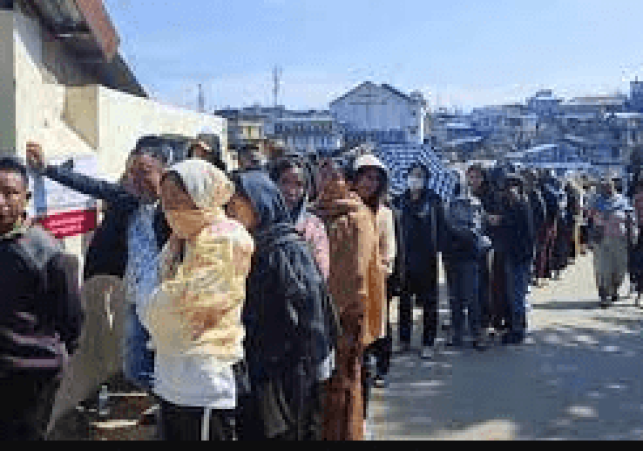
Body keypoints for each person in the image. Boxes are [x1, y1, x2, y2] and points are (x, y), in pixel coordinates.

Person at [26, 138, 173, 390]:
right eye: (132, 174)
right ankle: (165, 403)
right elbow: (91, 186)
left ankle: (170, 414)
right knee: (135, 368)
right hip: (137, 299)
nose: (136, 181)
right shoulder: (128, 201)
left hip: (168, 301)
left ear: (165, 174)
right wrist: (47, 168)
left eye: (145, 173)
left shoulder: (176, 211)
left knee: (168, 363)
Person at [137, 159, 254, 441]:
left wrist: (152, 306)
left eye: (180, 200)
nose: (172, 211)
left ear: (204, 195)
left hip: (205, 381)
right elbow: (151, 290)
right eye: (166, 202)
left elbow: (180, 307)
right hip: (171, 375)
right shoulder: (183, 238)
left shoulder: (226, 238)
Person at [227, 169, 336, 441]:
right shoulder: (244, 246)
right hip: (255, 361)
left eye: (237, 204)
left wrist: (319, 361)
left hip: (288, 367)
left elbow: (313, 309)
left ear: (259, 202)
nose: (230, 212)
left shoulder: (288, 248)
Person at [0, 156, 84, 440]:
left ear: (26, 197)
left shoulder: (46, 252)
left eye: (9, 193)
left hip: (32, 374)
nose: (1, 201)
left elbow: (71, 319)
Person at [314, 156, 380, 441]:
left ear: (347, 181)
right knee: (325, 385)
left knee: (344, 382)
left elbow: (356, 271)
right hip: (319, 313)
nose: (328, 181)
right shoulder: (313, 213)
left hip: (346, 312)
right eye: (323, 174)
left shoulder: (357, 215)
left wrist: (332, 310)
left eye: (335, 176)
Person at [351, 154, 392, 410]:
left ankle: (361, 414)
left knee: (366, 352)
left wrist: (373, 272)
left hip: (372, 290)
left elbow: (388, 255)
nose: (370, 183)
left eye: (376, 179)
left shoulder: (385, 214)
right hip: (344, 292)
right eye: (366, 177)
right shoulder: (344, 208)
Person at [394, 162, 443, 360]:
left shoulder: (433, 201)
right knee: (404, 303)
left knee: (430, 304)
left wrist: (439, 250)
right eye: (412, 175)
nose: (415, 179)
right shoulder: (399, 200)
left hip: (427, 259)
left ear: (426, 179)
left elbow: (441, 228)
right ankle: (404, 340)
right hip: (404, 258)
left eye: (419, 175)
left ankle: (428, 343)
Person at [442, 170, 490, 350]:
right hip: (451, 256)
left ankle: (476, 333)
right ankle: (456, 332)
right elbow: (446, 226)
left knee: (472, 297)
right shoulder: (446, 204)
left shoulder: (474, 203)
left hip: (470, 256)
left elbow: (477, 227)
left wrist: (462, 231)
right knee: (455, 298)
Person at [486, 172, 534, 344]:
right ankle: (513, 326)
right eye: (507, 188)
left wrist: (501, 221)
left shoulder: (522, 206)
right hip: (509, 256)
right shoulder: (507, 205)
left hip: (519, 258)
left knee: (517, 295)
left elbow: (524, 234)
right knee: (511, 293)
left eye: (513, 187)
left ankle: (518, 330)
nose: (510, 191)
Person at [269, 156, 330, 279]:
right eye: (284, 182)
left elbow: (321, 271)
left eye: (298, 184)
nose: (291, 191)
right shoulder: (262, 222)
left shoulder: (313, 227)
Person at [588, 178, 636, 308]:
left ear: (614, 187)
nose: (607, 189)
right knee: (603, 268)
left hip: (620, 239)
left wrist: (632, 234)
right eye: (604, 186)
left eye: (609, 186)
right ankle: (604, 294)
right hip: (601, 239)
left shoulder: (622, 200)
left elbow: (630, 218)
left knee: (620, 268)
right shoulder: (596, 201)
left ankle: (615, 288)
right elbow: (589, 219)